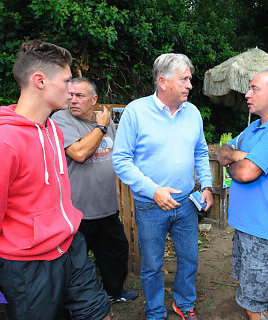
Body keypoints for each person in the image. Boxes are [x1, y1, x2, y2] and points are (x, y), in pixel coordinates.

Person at [0, 40, 111, 319]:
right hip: (28, 263)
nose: (71, 90)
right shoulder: (1, 143)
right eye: (66, 81)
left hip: (70, 246)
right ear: (39, 81)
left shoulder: (52, 130)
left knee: (100, 314)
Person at [112, 53, 214, 320]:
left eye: (189, 79)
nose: (190, 85)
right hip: (150, 205)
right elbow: (121, 160)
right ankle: (155, 311)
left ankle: (184, 302)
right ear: (162, 81)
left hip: (187, 203)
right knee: (152, 265)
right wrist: (153, 190)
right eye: (184, 79)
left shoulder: (192, 112)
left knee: (190, 258)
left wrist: (206, 185)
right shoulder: (136, 111)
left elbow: (201, 152)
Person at [218, 70, 268, 320]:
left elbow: (244, 174)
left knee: (252, 303)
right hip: (247, 226)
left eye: (254, 88)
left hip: (264, 230)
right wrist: (238, 157)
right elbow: (223, 152)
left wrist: (239, 160)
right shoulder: (255, 127)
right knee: (252, 295)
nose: (247, 93)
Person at [51, 77, 138, 302]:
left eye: (79, 96)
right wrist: (100, 126)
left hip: (106, 205)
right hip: (77, 210)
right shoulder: (61, 119)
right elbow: (79, 153)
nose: (73, 101)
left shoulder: (105, 121)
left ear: (94, 99)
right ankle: (72, 303)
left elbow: (118, 153)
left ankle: (113, 293)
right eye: (70, 96)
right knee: (75, 261)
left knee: (115, 251)